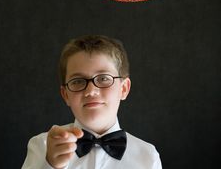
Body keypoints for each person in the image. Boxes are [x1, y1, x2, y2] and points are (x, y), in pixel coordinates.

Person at [21, 35, 162, 169]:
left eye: (103, 78)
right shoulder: (42, 145)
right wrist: (50, 165)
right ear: (66, 95)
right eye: (77, 81)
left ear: (123, 88)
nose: (91, 91)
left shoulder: (148, 156)